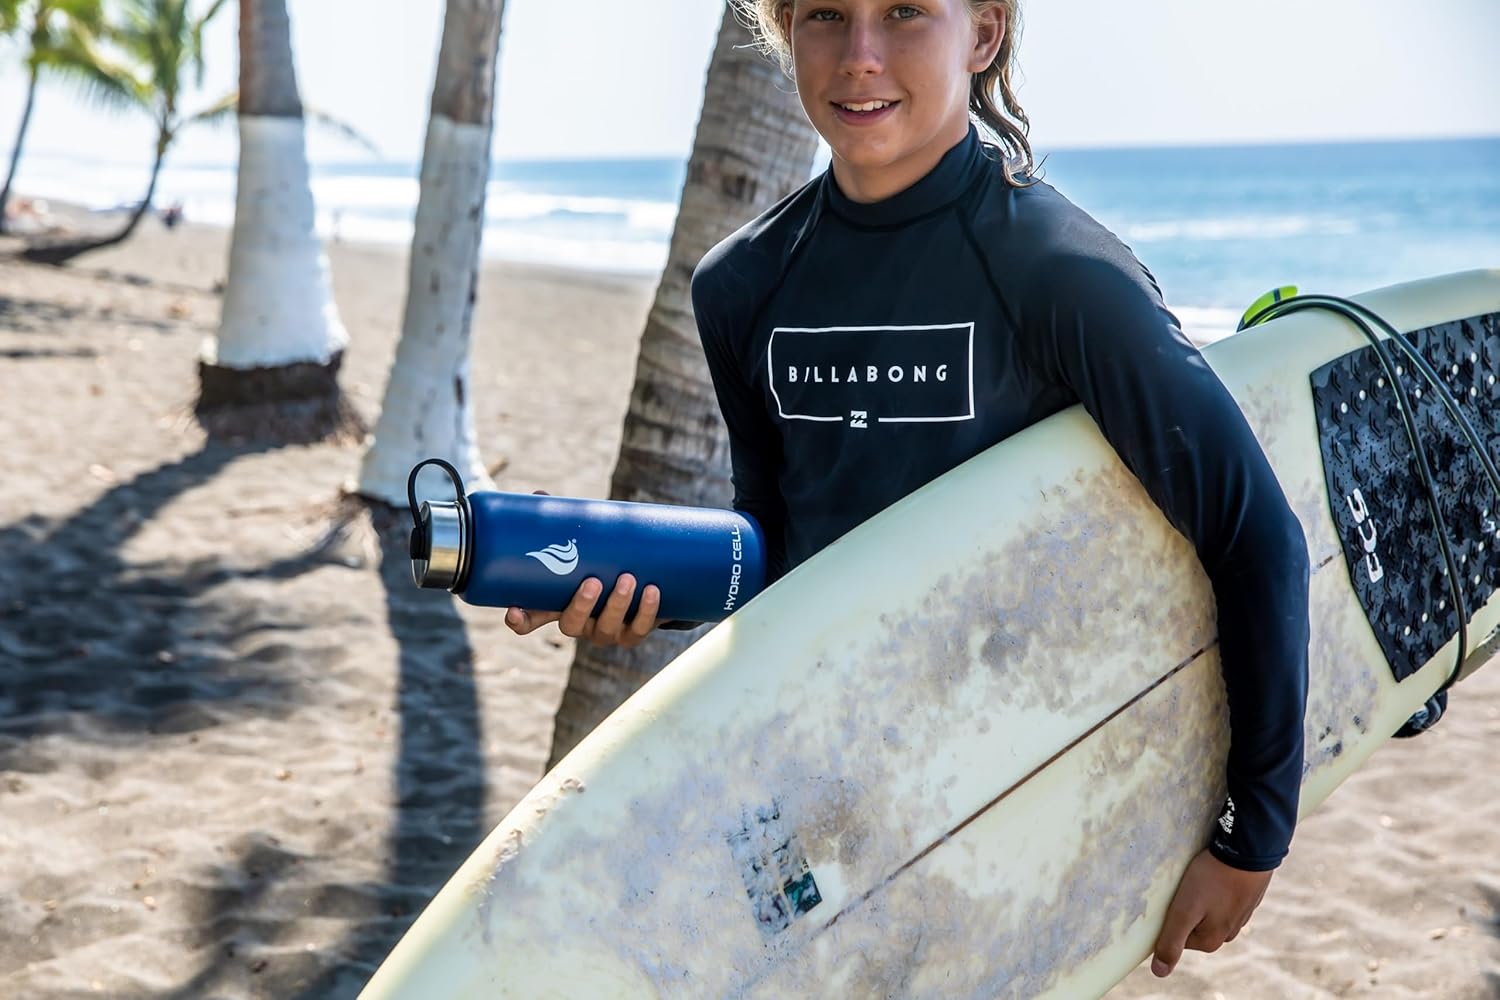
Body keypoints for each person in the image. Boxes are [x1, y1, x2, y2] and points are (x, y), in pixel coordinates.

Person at [506, 0, 1311, 980]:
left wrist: (1251, 835)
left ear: (984, 33)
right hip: (824, 795)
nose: (860, 56)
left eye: (903, 13)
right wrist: (649, 592)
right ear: (785, 31)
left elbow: (1252, 532)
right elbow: (777, 556)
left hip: (1015, 795)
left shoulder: (1056, 271)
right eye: (824, 15)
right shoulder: (743, 286)